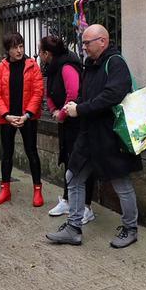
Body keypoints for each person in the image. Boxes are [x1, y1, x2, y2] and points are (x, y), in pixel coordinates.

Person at [46, 25, 143, 249]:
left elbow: (112, 95)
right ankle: (73, 227)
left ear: (103, 41)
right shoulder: (90, 64)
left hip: (111, 136)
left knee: (121, 182)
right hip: (88, 134)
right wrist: (77, 103)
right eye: (83, 43)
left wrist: (80, 109)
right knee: (73, 176)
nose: (84, 47)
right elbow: (87, 94)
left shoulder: (115, 62)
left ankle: (130, 228)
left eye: (87, 43)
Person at [40, 35, 96, 224]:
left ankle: (87, 206)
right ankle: (67, 199)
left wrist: (61, 114)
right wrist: (54, 110)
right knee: (68, 159)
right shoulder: (52, 68)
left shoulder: (67, 66)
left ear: (47, 54)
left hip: (77, 122)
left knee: (79, 163)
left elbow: (73, 93)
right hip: (65, 122)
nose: (39, 56)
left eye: (41, 52)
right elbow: (48, 93)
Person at [0, 31, 45, 207]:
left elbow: (38, 92)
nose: (19, 51)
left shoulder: (32, 66)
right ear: (8, 50)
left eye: (21, 46)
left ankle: (37, 190)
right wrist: (6, 115)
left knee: (32, 152)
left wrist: (27, 114)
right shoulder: (0, 68)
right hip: (7, 118)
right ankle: (5, 189)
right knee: (7, 154)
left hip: (27, 117)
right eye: (15, 48)